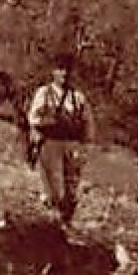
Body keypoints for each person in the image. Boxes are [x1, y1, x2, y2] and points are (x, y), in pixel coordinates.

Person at [27, 55, 94, 222]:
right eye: (61, 70)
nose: (64, 74)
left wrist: (86, 145)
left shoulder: (77, 97)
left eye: (67, 71)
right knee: (53, 185)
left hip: (72, 145)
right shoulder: (44, 93)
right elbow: (33, 117)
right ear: (54, 72)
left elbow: (88, 122)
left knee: (72, 186)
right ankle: (53, 221)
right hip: (50, 143)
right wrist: (48, 123)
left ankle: (66, 219)